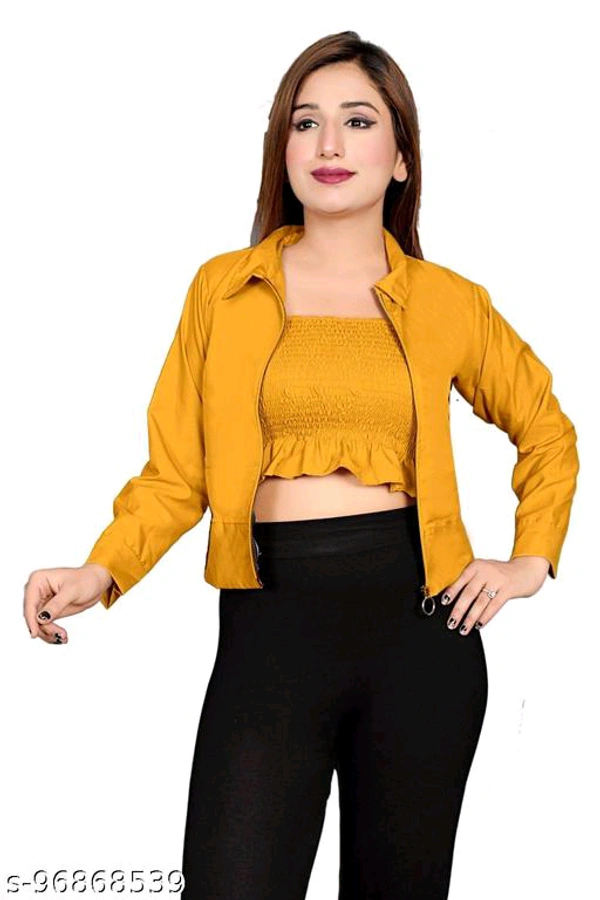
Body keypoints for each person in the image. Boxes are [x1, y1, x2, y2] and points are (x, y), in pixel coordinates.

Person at [23, 30, 579, 900]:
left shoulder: (450, 302)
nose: (328, 144)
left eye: (358, 121)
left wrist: (529, 560)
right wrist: (103, 568)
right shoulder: (223, 290)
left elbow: (547, 429)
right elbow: (177, 471)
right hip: (269, 632)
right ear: (282, 149)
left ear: (401, 158)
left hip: (419, 636)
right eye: (305, 121)